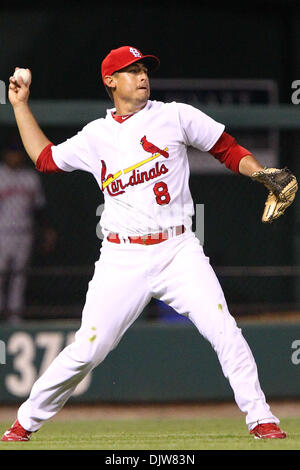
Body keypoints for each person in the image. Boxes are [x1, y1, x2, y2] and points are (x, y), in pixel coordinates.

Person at [1, 47, 295, 442]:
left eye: (144, 69)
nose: (142, 76)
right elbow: (44, 158)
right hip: (122, 257)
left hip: (178, 250)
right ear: (110, 81)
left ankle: (261, 418)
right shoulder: (96, 136)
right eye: (131, 70)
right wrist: (20, 105)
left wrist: (260, 173)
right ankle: (24, 423)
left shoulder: (174, 115)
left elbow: (226, 148)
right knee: (88, 349)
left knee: (225, 330)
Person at [0, 140, 56, 323]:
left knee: (19, 278)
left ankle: (15, 319)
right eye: (12, 153)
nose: (15, 157)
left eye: (17, 153)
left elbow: (39, 208)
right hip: (2, 232)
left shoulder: (30, 177)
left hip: (24, 233)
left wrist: (46, 230)